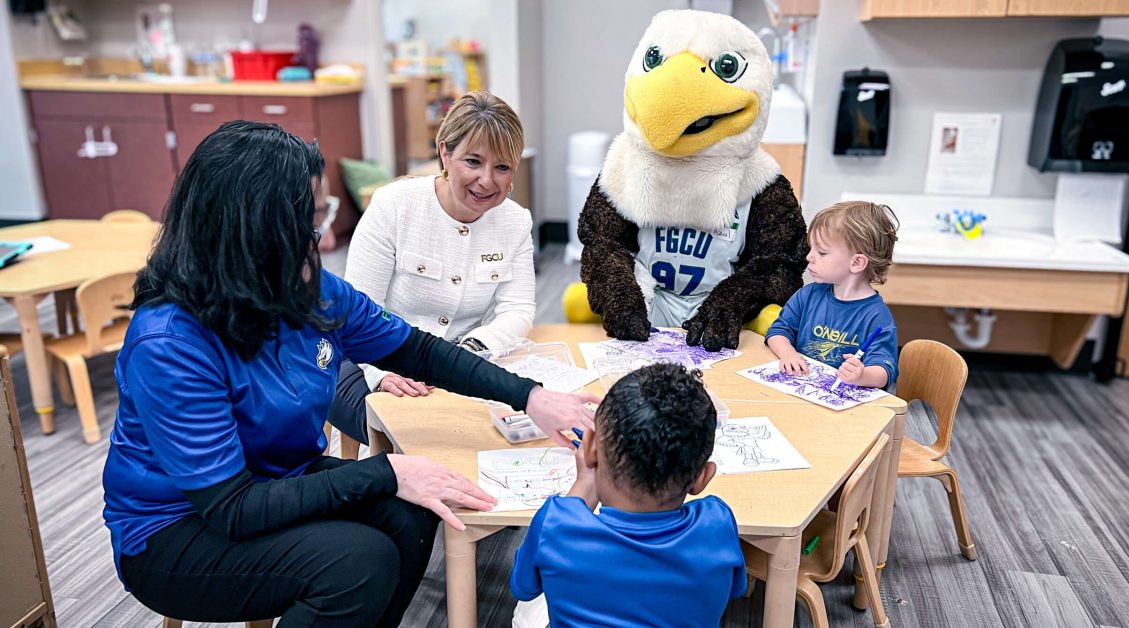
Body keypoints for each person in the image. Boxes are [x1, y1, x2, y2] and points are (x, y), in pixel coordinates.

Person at [101, 120, 597, 628]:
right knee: (357, 563)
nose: (324, 235)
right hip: (177, 530)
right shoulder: (169, 342)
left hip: (276, 480)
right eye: (311, 221)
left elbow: (417, 351)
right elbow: (232, 508)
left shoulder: (309, 288)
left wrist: (529, 396)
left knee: (410, 515)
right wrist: (388, 470)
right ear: (255, 228)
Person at [328, 90, 534, 445]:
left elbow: (518, 309)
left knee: (489, 430)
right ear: (444, 153)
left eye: (502, 167)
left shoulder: (515, 221)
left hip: (461, 360)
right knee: (413, 431)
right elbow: (357, 311)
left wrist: (468, 351)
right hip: (367, 356)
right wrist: (380, 373)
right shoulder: (395, 206)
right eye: (473, 162)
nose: (487, 180)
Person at [510, 363, 746, 627]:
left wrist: (583, 483)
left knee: (528, 608)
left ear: (589, 449)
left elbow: (523, 588)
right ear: (702, 478)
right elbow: (734, 590)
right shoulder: (718, 522)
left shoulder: (555, 524)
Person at [765, 201, 899, 388]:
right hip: (798, 390)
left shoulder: (877, 316)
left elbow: (884, 370)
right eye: (811, 248)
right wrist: (788, 353)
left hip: (844, 405)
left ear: (857, 263)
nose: (809, 257)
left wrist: (862, 375)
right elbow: (778, 331)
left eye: (821, 252)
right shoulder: (808, 295)